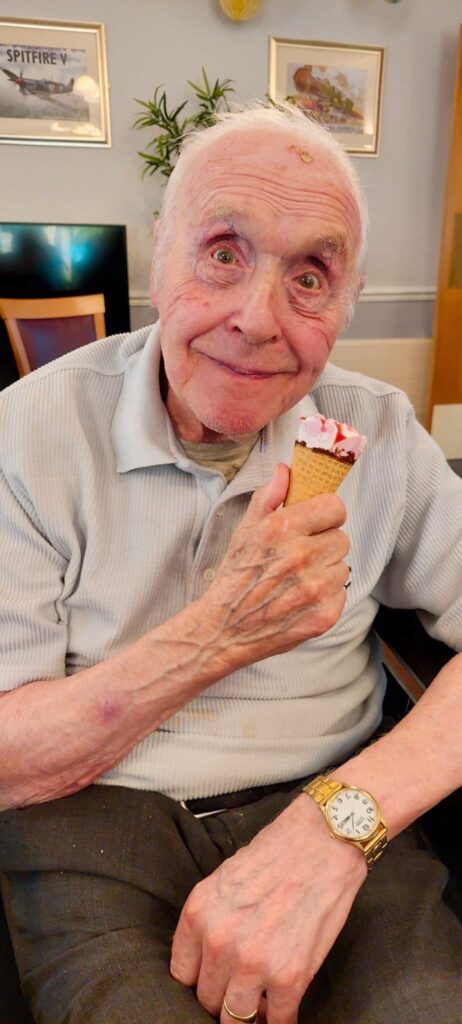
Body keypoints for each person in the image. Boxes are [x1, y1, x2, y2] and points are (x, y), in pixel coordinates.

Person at [0, 101, 462, 1024]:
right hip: (94, 824)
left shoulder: (380, 433)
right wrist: (221, 633)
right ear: (160, 255)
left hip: (340, 803)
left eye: (311, 276)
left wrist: (343, 821)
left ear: (349, 301)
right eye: (222, 253)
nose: (257, 320)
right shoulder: (28, 433)